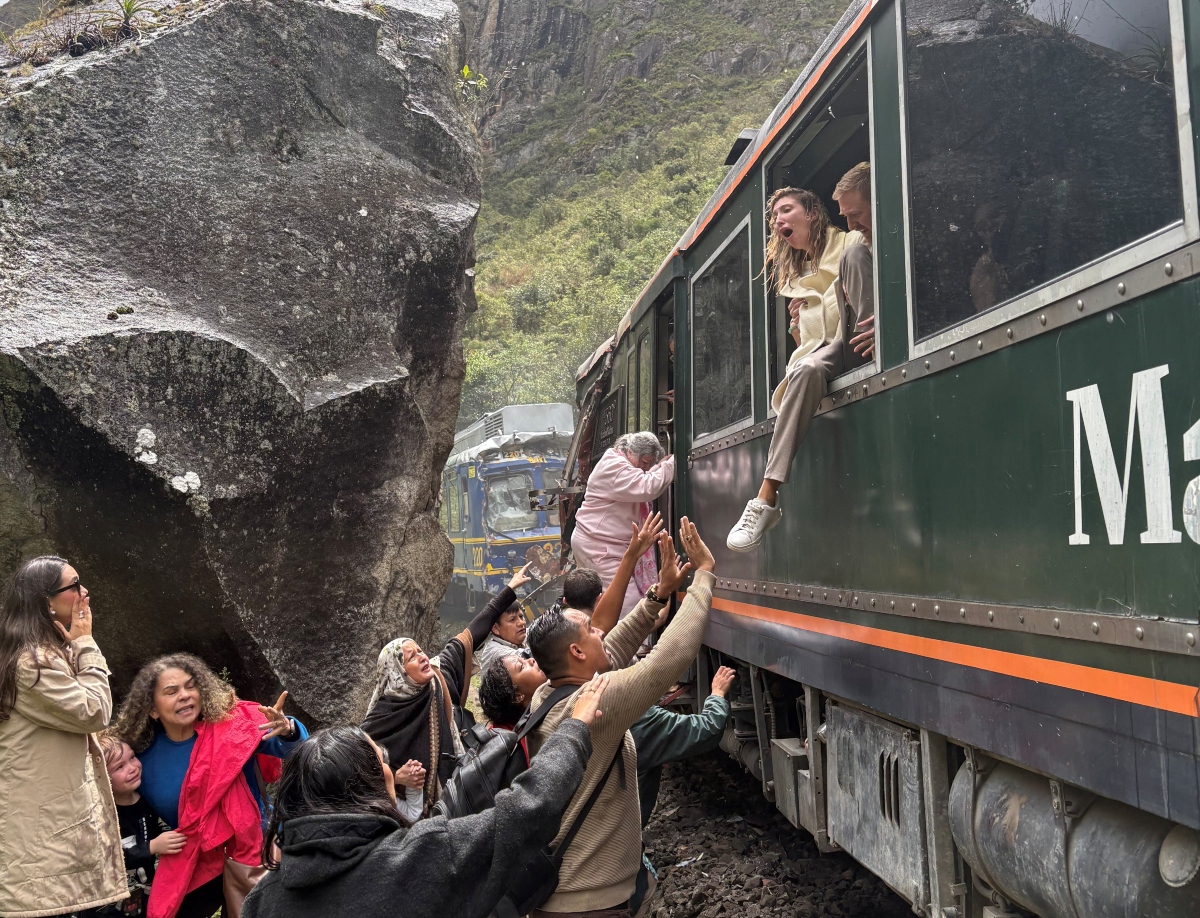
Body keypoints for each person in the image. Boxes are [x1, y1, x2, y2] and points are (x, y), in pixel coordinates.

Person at [242, 677, 612, 918]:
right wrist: (574, 729)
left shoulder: (262, 902)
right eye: (381, 761)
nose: (390, 767)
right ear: (364, 785)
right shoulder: (422, 856)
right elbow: (529, 807)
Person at [524, 518, 716, 917]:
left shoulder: (549, 694)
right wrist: (703, 578)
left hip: (567, 894)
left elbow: (613, 646)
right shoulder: (598, 705)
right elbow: (668, 659)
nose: (600, 632)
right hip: (590, 901)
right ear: (576, 654)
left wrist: (657, 596)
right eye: (591, 631)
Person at [727, 164, 876, 553]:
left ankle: (765, 495)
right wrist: (799, 327)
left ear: (812, 212)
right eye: (774, 216)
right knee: (806, 368)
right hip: (830, 355)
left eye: (786, 210)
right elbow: (809, 344)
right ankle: (766, 498)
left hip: (861, 341)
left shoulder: (849, 243)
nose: (777, 220)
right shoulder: (799, 279)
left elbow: (870, 273)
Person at [111, 655, 309, 918]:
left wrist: (287, 729)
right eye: (171, 691)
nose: (184, 695)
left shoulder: (231, 727)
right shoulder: (141, 761)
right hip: (197, 859)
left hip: (255, 848)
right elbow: (127, 810)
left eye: (191, 686)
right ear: (152, 709)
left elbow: (294, 747)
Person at [0, 556, 126, 917]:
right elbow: (95, 712)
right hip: (42, 837)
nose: (84, 593)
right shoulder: (31, 662)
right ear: (45, 602)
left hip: (48, 828)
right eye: (73, 586)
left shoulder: (38, 653)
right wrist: (87, 644)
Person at [362, 564, 533, 818]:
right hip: (405, 822)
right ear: (397, 672)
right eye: (411, 657)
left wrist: (508, 591)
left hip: (454, 805)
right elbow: (362, 776)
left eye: (420, 651)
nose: (422, 657)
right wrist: (398, 778)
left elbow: (470, 635)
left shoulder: (438, 679)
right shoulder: (380, 719)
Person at [570, 432, 674, 619]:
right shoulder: (614, 467)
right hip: (600, 547)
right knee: (628, 604)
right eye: (645, 462)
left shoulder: (618, 462)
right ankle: (634, 646)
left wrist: (659, 467)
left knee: (607, 602)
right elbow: (646, 486)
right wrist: (673, 463)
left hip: (598, 543)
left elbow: (640, 478)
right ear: (631, 452)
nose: (647, 467)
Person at [92, 734, 188, 917]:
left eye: (133, 757)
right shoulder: (101, 815)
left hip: (144, 897)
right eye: (120, 767)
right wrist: (151, 847)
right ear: (101, 778)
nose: (132, 768)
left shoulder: (146, 799)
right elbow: (104, 858)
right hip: (109, 906)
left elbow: (163, 827)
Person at [630, 666, 735, 827]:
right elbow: (708, 728)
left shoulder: (586, 699)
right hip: (617, 835)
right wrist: (717, 694)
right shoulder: (642, 719)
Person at [474, 600, 528, 672]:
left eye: (521, 616)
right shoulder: (495, 653)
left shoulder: (517, 636)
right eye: (512, 620)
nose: (521, 623)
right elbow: (529, 656)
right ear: (496, 628)